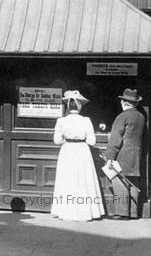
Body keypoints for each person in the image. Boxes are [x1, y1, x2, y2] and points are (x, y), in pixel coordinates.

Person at [50, 90, 105, 221]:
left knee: (67, 179)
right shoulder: (86, 120)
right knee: (83, 179)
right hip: (82, 151)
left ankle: (65, 210)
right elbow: (92, 141)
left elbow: (57, 140)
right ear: (80, 106)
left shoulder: (61, 121)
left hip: (67, 151)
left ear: (68, 106)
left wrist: (67, 141)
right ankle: (85, 211)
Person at [105, 88, 145, 219]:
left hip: (123, 154)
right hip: (136, 154)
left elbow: (116, 138)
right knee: (133, 183)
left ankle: (122, 213)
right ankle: (133, 213)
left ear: (124, 102)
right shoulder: (141, 117)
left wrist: (110, 156)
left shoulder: (122, 117)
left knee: (120, 181)